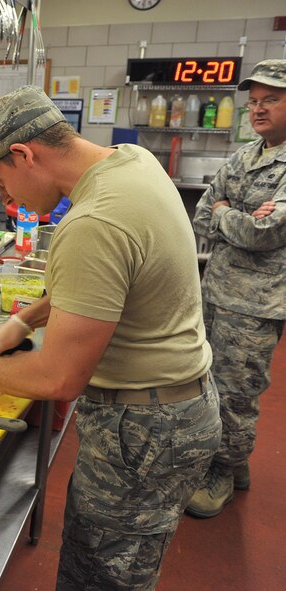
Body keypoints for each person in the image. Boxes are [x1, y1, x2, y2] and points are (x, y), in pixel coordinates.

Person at [0, 86, 221, 590]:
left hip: (142, 432)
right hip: (177, 409)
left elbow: (57, 377)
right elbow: (109, 284)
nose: (6, 199)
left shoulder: (93, 221)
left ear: (23, 154)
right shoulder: (132, 163)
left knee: (100, 578)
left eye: (0, 182)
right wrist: (26, 320)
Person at [186, 59, 286, 519]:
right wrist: (239, 215)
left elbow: (265, 234)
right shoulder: (244, 156)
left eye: (272, 100)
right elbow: (201, 214)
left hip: (256, 304)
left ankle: (223, 472)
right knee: (204, 381)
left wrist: (230, 214)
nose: (259, 110)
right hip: (216, 291)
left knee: (235, 390)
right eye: (254, 102)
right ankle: (230, 461)